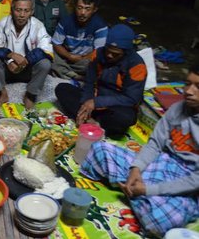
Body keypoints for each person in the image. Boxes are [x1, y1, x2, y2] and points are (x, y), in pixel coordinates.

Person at [79, 64, 199, 237]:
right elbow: (155, 144)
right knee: (100, 149)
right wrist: (135, 169)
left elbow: (195, 181)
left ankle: (134, 192)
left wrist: (148, 190)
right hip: (161, 163)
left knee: (165, 221)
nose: (189, 91)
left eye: (198, 87)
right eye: (188, 84)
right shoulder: (178, 109)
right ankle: (135, 192)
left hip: (186, 181)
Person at [55, 24, 146, 137]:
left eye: (115, 54)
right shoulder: (98, 54)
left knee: (124, 119)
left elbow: (131, 98)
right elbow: (89, 83)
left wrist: (96, 103)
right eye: (108, 50)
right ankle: (89, 120)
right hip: (95, 100)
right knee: (62, 88)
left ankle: (97, 122)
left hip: (117, 105)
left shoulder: (137, 66)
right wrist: (86, 103)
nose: (109, 55)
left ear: (126, 52)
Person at [0, 0, 53, 109]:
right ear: (12, 10)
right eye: (18, 10)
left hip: (28, 70)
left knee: (45, 64)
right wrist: (10, 57)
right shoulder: (4, 23)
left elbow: (47, 50)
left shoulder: (38, 26)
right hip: (7, 70)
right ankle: (2, 93)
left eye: (26, 11)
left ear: (32, 12)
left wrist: (25, 60)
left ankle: (30, 95)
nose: (22, 14)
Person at [51, 0, 108, 80]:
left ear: (94, 10)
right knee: (49, 55)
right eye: (79, 8)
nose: (82, 12)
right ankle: (76, 76)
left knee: (97, 63)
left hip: (85, 60)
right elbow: (56, 43)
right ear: (75, 7)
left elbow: (98, 50)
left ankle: (66, 73)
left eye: (87, 9)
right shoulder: (66, 22)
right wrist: (69, 56)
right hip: (67, 57)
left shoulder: (100, 26)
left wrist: (82, 58)